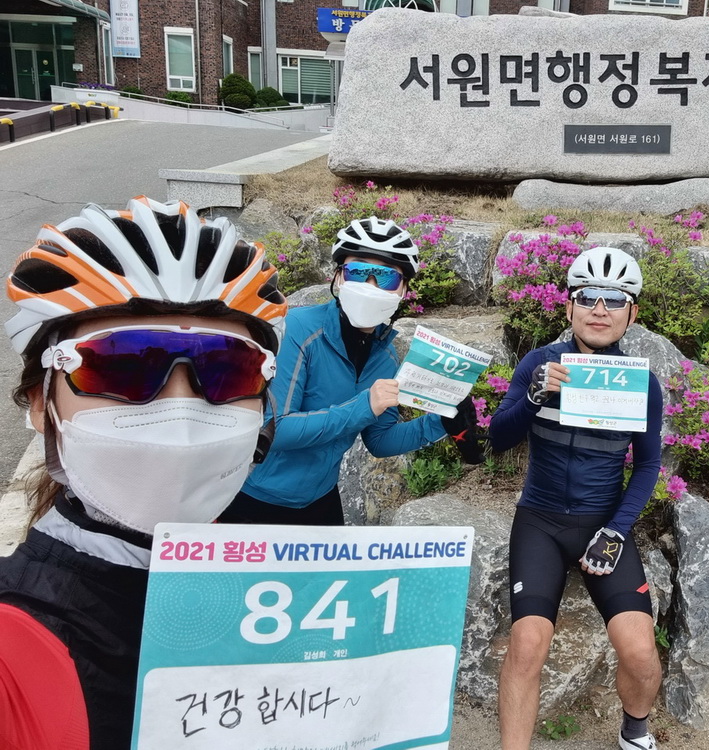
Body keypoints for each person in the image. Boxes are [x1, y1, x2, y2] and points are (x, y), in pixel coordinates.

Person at [0, 196, 287, 749]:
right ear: (41, 403)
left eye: (228, 370)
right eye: (121, 365)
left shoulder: (283, 596)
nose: (182, 414)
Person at [489, 246, 664, 750]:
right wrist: (533, 397)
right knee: (527, 644)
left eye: (615, 300)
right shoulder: (538, 364)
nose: (600, 310)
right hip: (539, 521)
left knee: (640, 652)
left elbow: (647, 465)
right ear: (569, 307)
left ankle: (635, 730)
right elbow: (497, 439)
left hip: (603, 521)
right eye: (588, 297)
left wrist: (616, 531)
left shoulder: (641, 384)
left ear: (632, 313)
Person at [219, 215, 479, 527]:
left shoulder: (384, 357)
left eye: (386, 277)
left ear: (404, 290)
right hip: (252, 500)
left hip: (321, 500)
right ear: (339, 277)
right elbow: (276, 430)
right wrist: (364, 405)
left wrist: (440, 421)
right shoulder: (298, 330)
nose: (370, 287)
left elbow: (380, 441)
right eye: (357, 272)